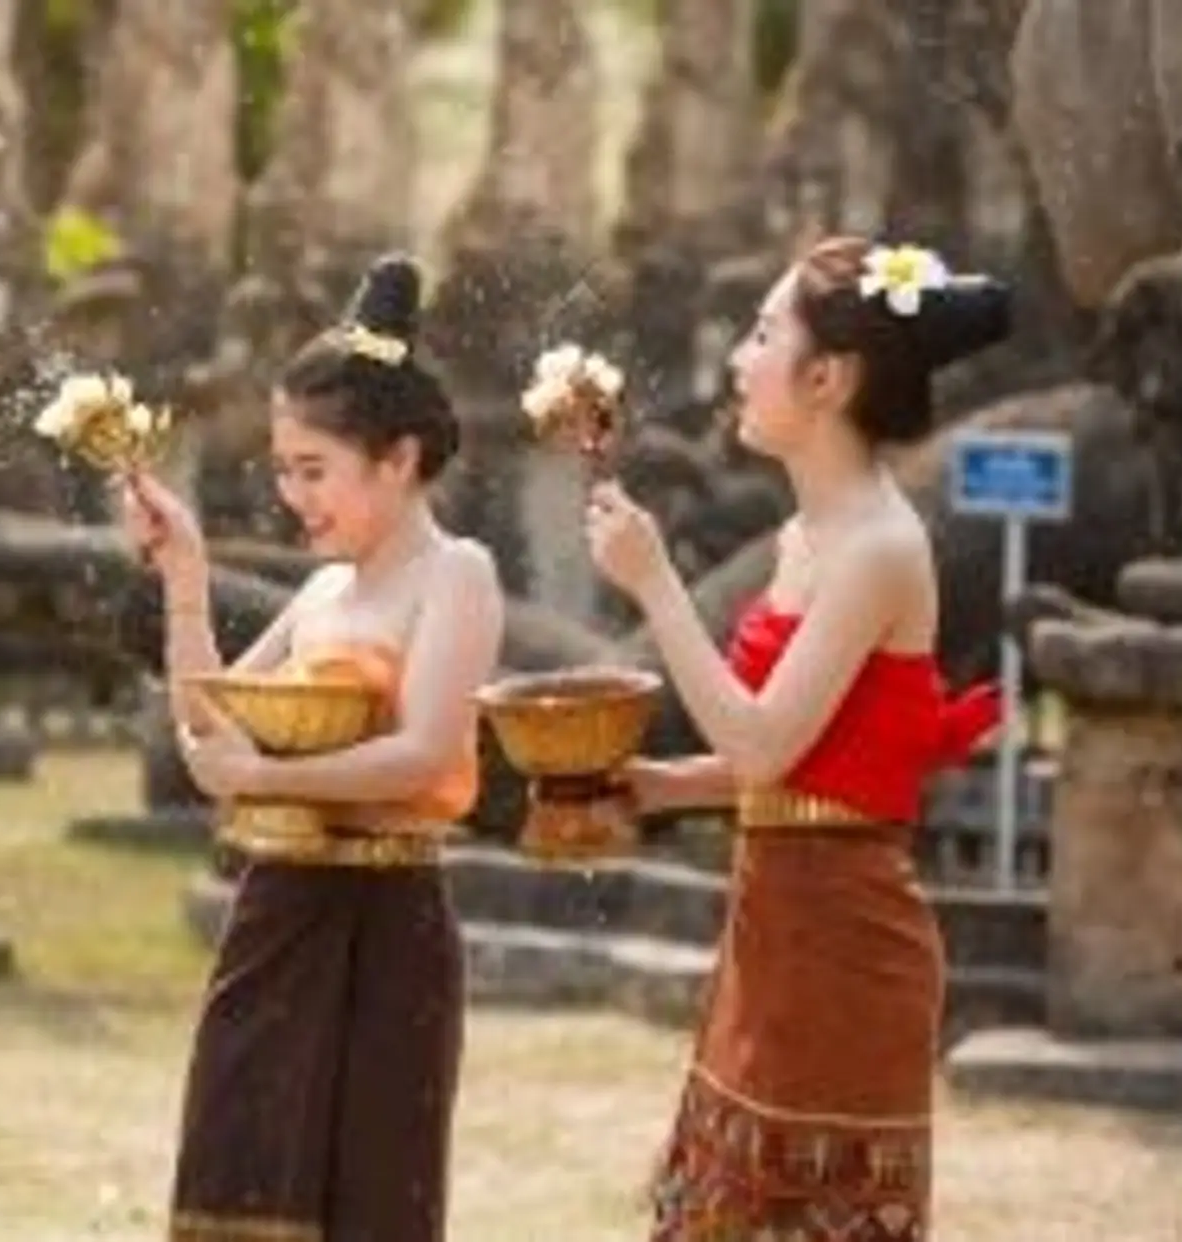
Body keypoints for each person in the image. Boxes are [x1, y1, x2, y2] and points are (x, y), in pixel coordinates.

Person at [585, 237, 1010, 1240]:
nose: (738, 357)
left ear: (828, 377)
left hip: (852, 951)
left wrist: (654, 582)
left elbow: (766, 745)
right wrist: (651, 787)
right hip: (769, 931)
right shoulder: (803, 538)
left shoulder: (880, 547)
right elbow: (780, 765)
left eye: (764, 333)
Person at [125, 253, 505, 1242]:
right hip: (277, 910)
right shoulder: (322, 594)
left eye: (313, 471)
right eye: (284, 471)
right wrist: (186, 578)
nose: (295, 497)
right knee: (234, 1171)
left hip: (391, 921)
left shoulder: (455, 575)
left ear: (400, 459)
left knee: (373, 1194)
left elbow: (423, 753)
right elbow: (212, 734)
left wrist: (261, 775)